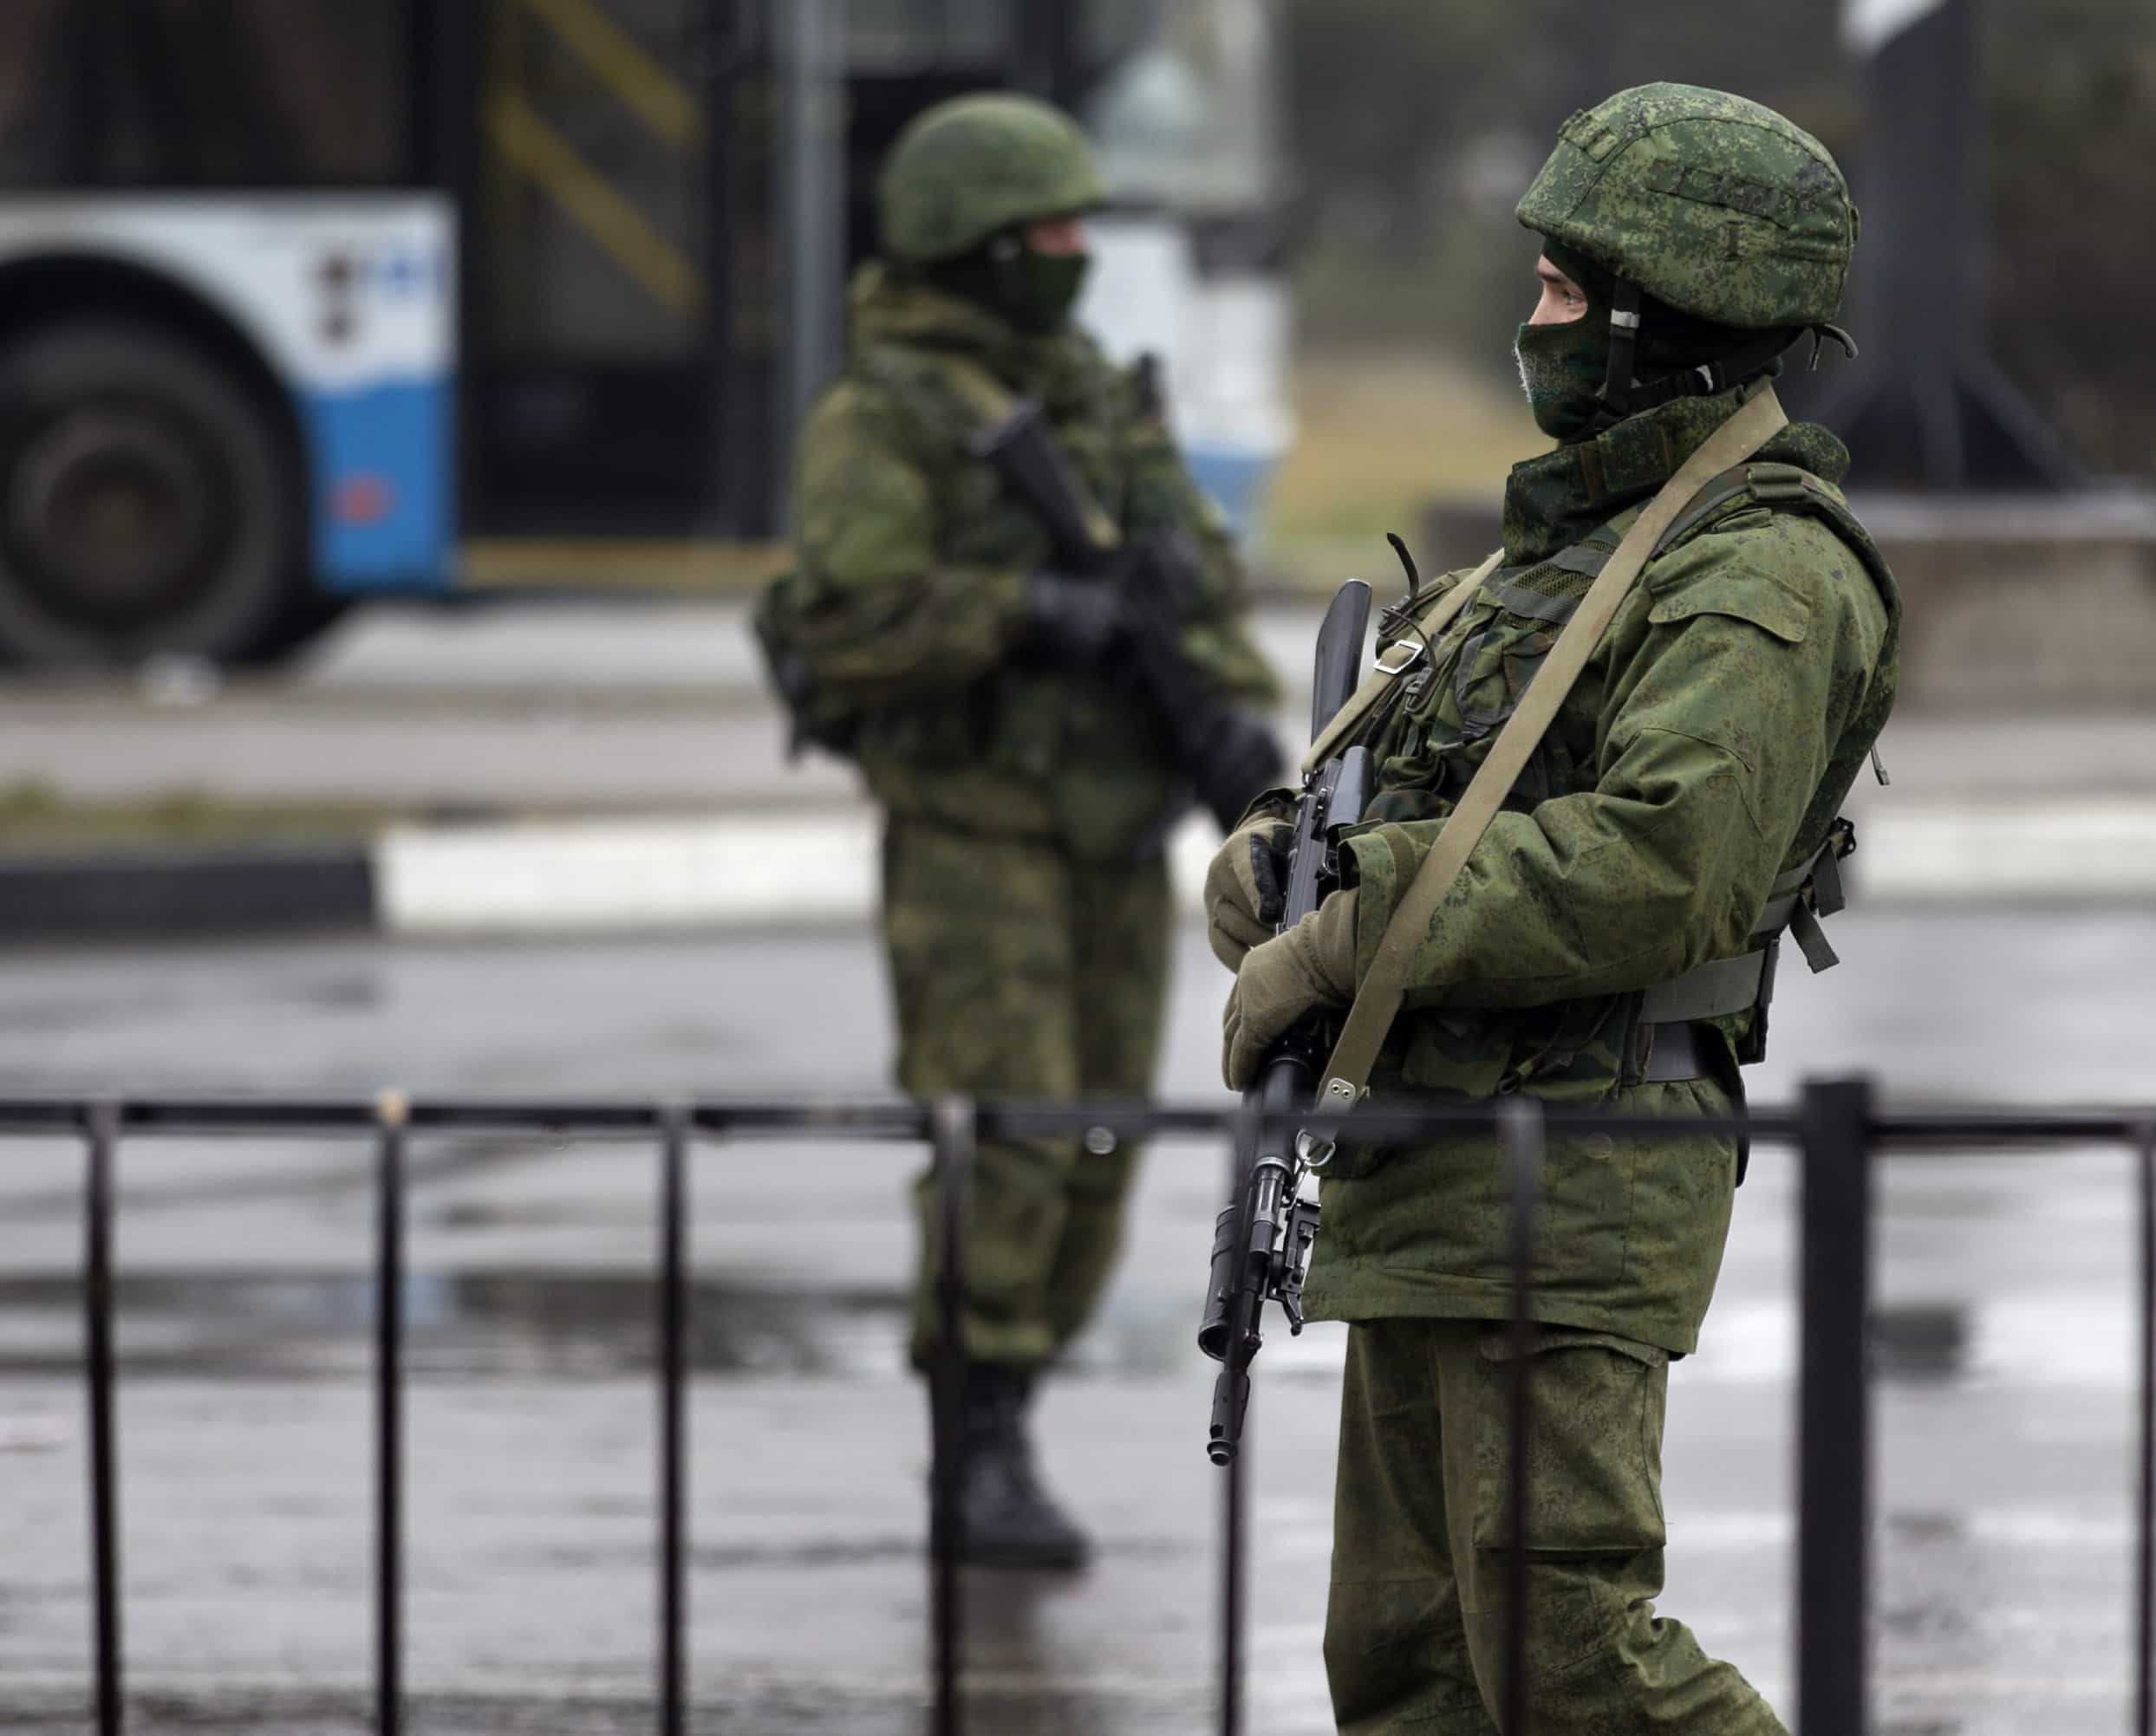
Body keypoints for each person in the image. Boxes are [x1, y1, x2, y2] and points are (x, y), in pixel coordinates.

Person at [1206, 85, 1898, 1731]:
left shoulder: (1761, 575)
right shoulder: (1544, 559)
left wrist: (1346, 922)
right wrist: (1266, 865)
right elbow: (1355, 781)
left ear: (1672, 323)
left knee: (1568, 1660)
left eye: (1568, 295)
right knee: (1412, 1669)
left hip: (1579, 1171)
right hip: (1433, 1162)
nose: (1535, 326)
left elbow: (1662, 862)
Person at [762, 92, 1279, 1569]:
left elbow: (1192, 596)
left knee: (1103, 1147)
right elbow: (847, 624)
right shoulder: (886, 417)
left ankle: (1016, 1400)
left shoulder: (1102, 398)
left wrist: (1229, 725)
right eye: (1046, 229)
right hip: (975, 833)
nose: (1071, 252)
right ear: (972, 245)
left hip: (1111, 834)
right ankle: (972, 1436)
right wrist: (1028, 615)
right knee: (1009, 1140)